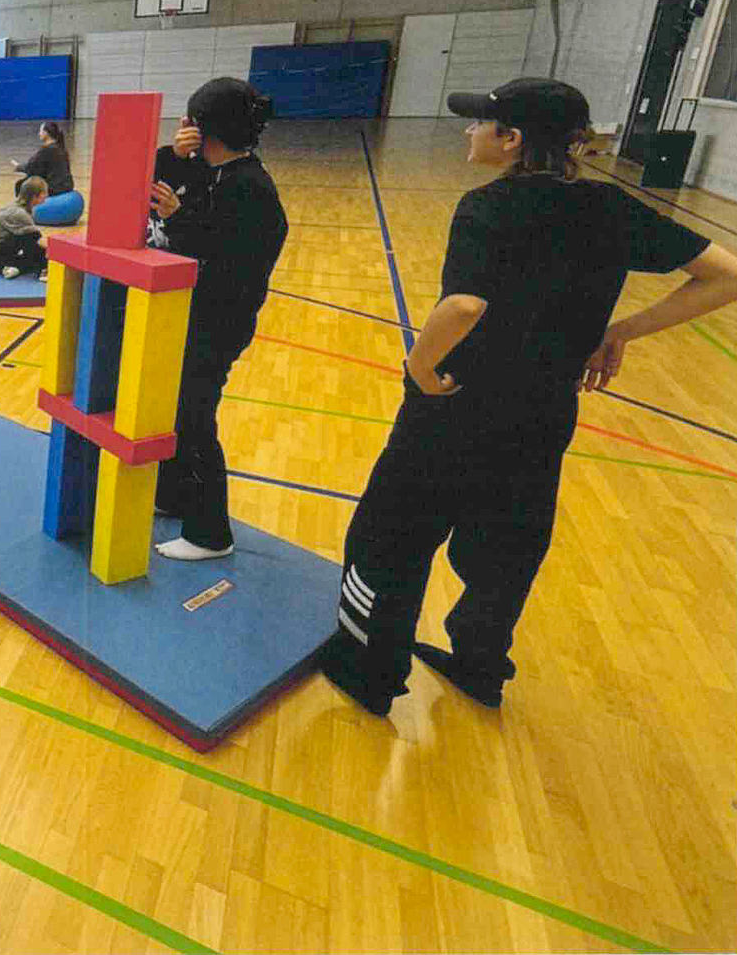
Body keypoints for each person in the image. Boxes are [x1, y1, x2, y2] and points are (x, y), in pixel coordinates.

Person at [317, 79, 737, 715]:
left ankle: (367, 672)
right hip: (544, 412)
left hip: (456, 408)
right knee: (507, 547)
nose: (469, 132)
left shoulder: (487, 208)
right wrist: (619, 331)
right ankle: (480, 667)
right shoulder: (612, 207)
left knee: (390, 537)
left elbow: (464, 305)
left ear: (511, 139)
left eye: (479, 123)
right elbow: (725, 275)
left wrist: (419, 364)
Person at [146, 78, 289, 562]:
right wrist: (174, 154)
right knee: (175, 412)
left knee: (194, 419)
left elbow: (227, 258)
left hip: (218, 325)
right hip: (196, 318)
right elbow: (157, 185)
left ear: (206, 129)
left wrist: (181, 219)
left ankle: (210, 533)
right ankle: (174, 495)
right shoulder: (216, 173)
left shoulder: (250, 188)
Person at [0, 177, 50, 279]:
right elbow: (38, 240)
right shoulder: (18, 213)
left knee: (31, 245)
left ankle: (16, 268)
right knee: (31, 239)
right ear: (35, 196)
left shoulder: (24, 209)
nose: (47, 196)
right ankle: (42, 270)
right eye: (44, 193)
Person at [10, 121, 75, 198]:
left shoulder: (47, 150)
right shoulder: (61, 148)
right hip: (67, 186)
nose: (39, 134)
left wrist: (19, 167)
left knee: (20, 184)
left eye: (40, 131)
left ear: (46, 133)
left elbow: (32, 168)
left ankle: (23, 204)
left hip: (55, 189)